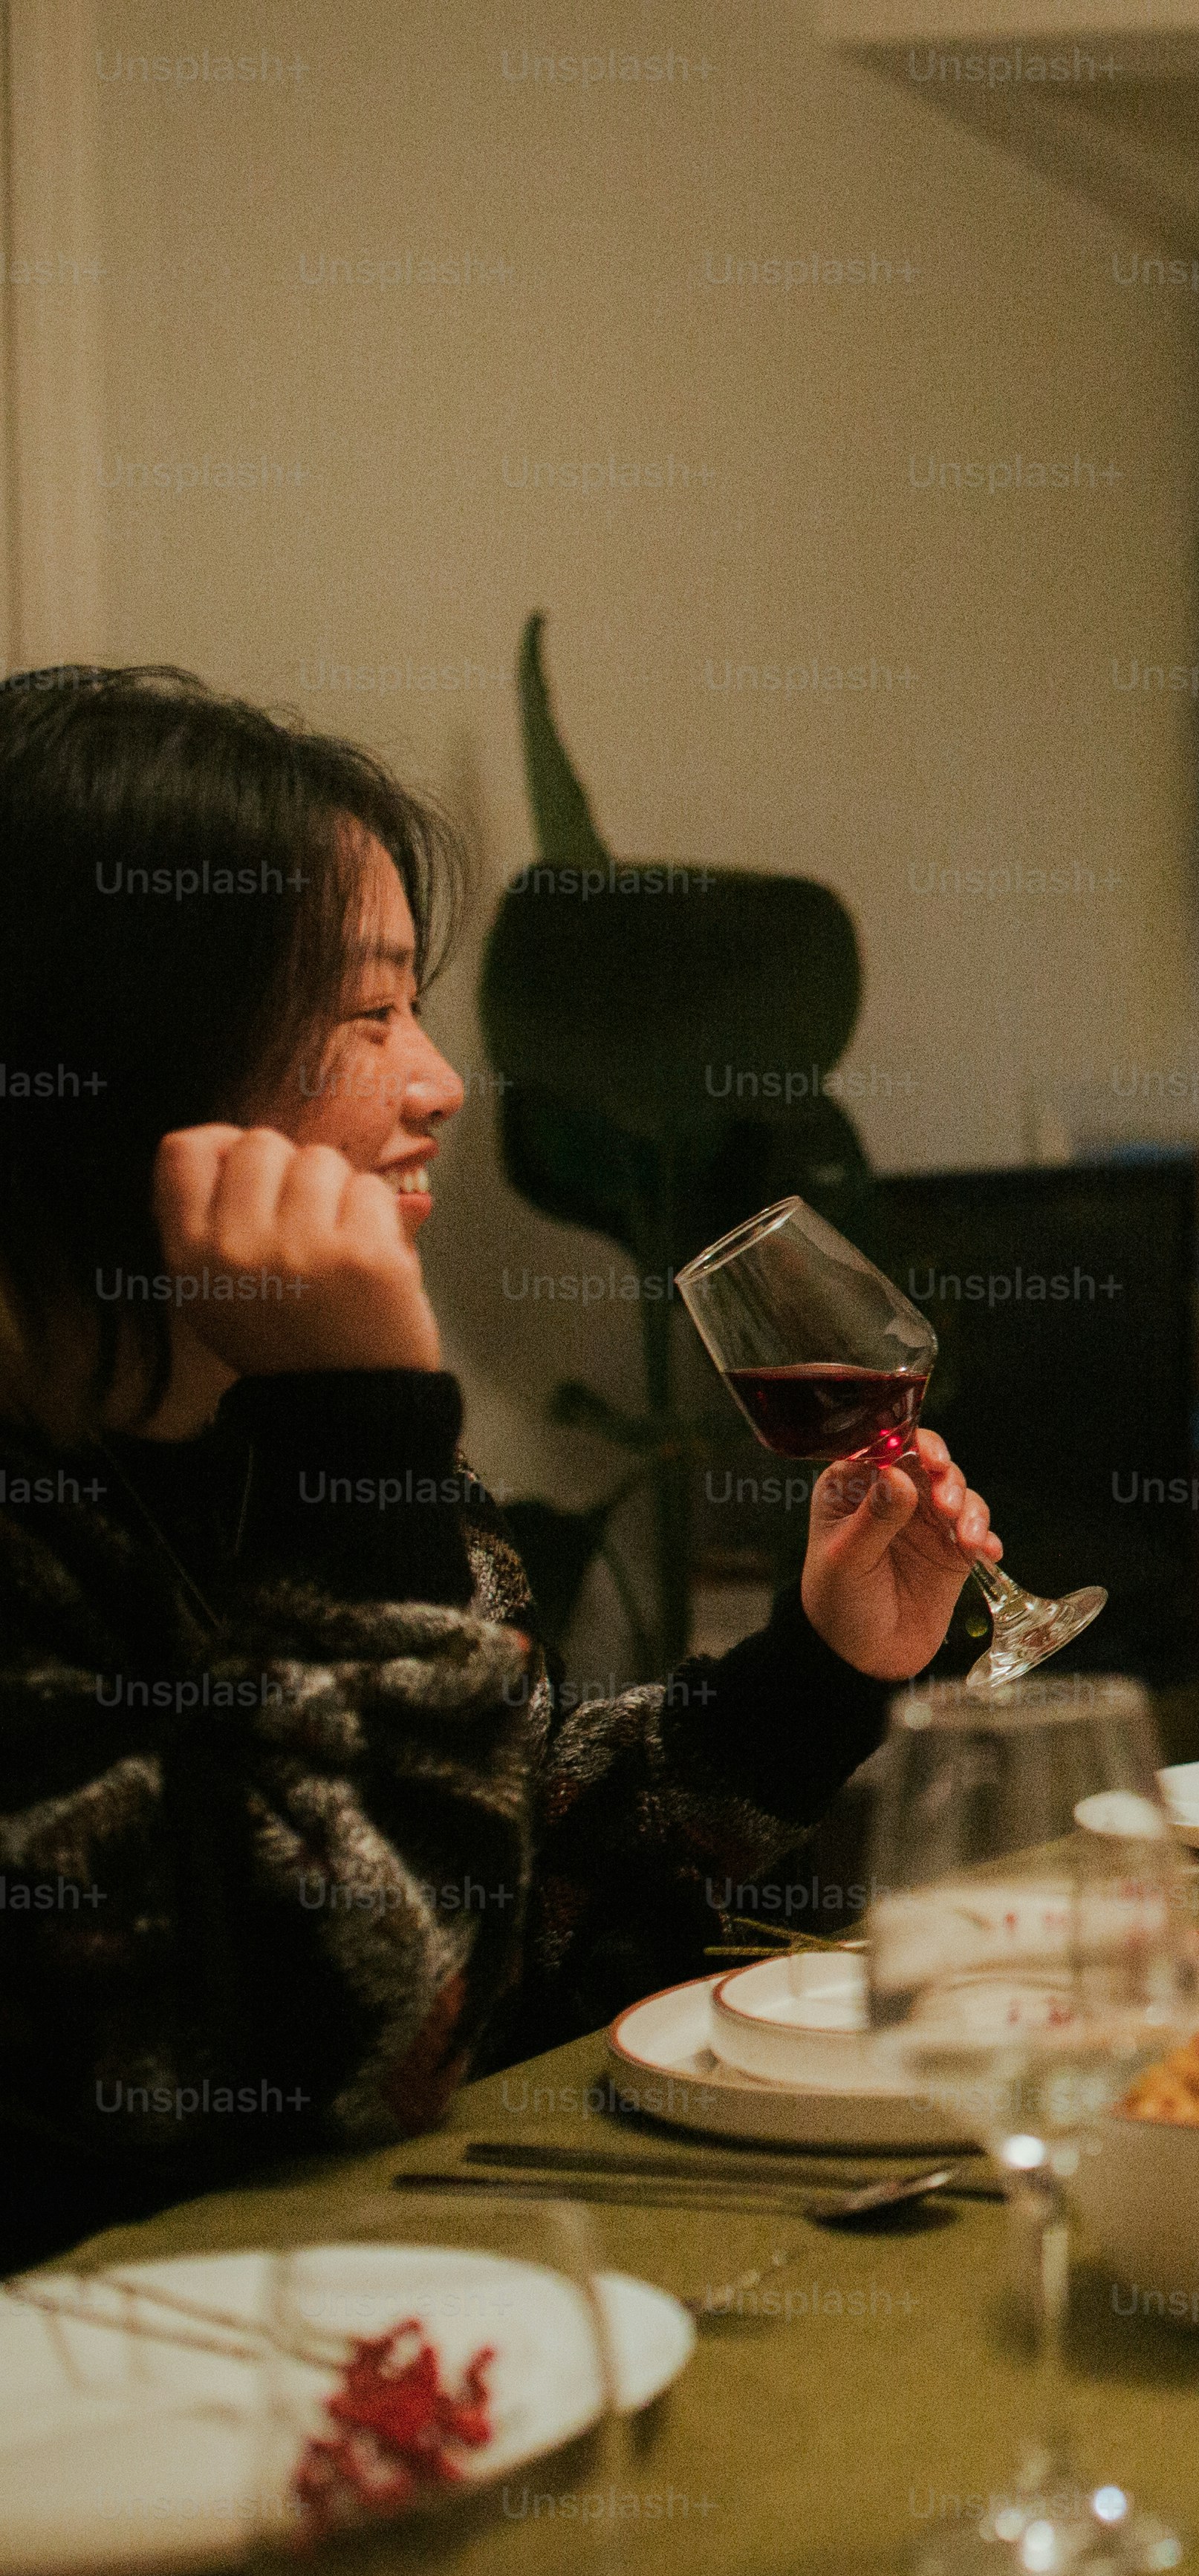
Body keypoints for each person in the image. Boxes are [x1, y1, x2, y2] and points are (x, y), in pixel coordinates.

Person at [0, 668, 1005, 2265]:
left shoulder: (268, 1429)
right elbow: (349, 2023)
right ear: (134, 1067)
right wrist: (360, 1448)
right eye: (367, 1014)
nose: (441, 1084)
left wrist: (810, 1680)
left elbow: (498, 1869)